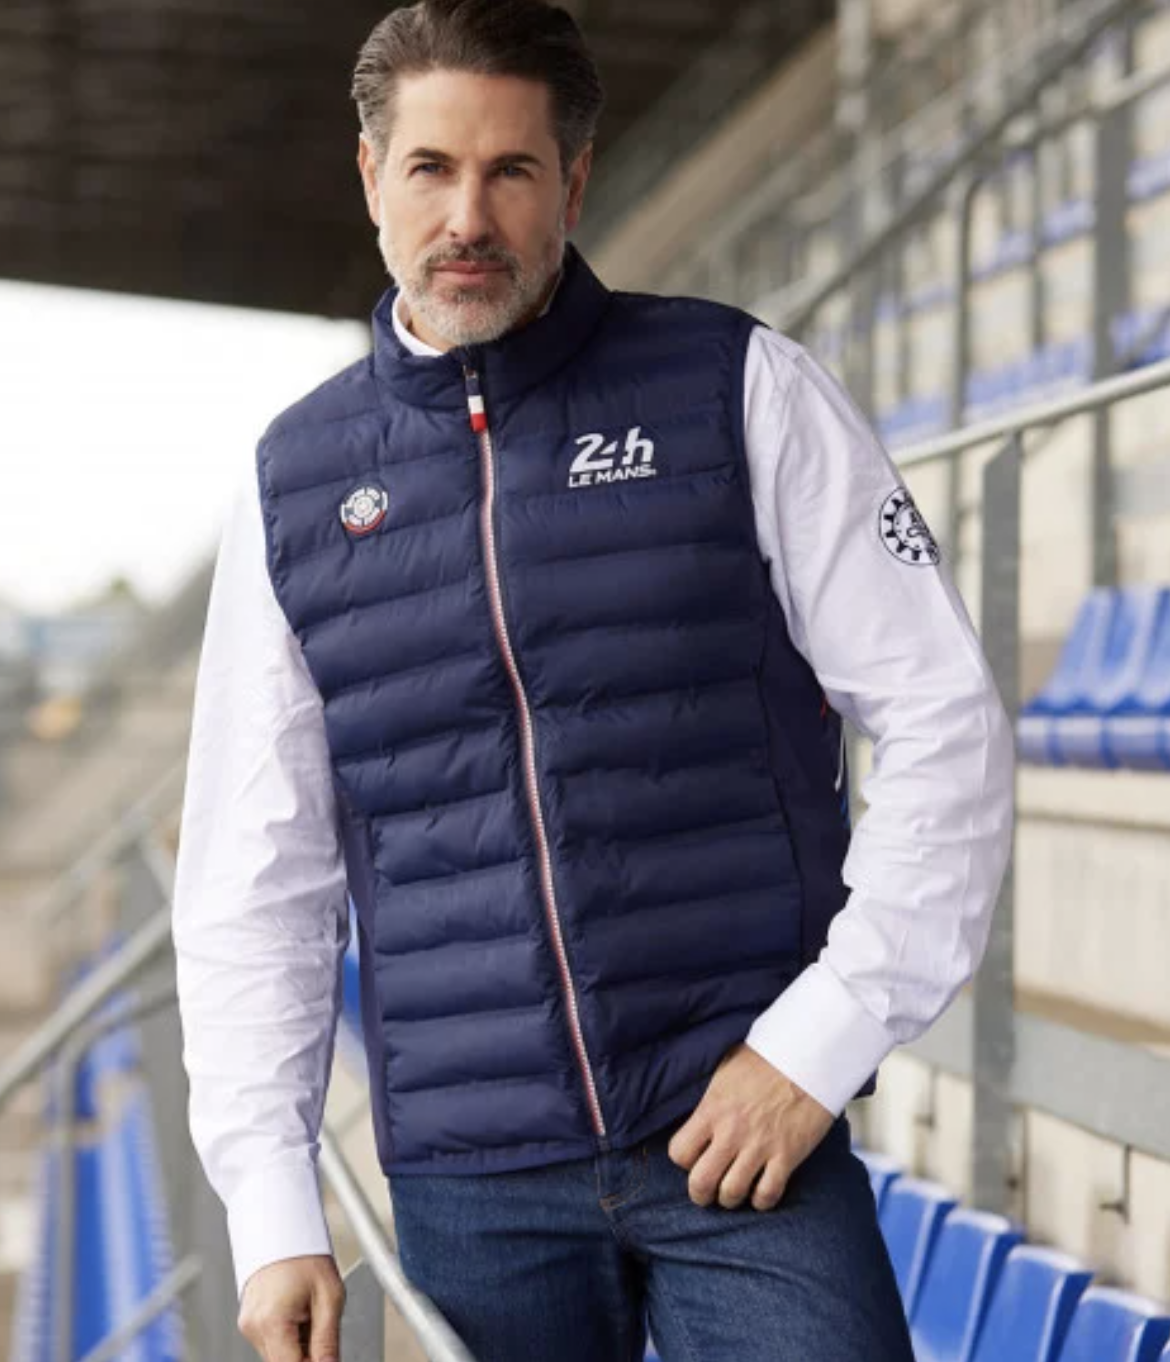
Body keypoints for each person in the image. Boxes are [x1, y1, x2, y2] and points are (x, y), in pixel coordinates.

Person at [170, 2, 1015, 1359]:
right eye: (431, 168)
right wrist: (272, 1209)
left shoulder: (740, 389)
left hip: (740, 1139)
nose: (468, 218)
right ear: (372, 177)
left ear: (573, 182)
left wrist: (818, 1043)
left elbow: (945, 724)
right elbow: (253, 881)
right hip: (472, 1187)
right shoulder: (293, 487)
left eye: (510, 170)